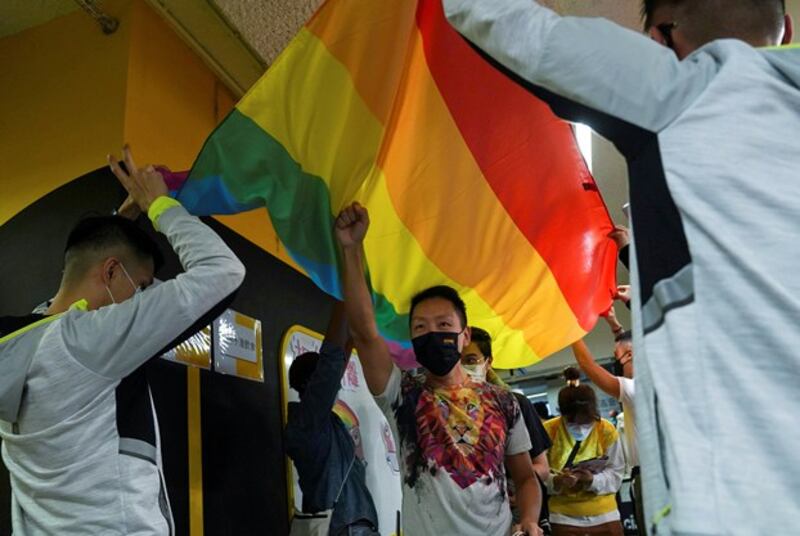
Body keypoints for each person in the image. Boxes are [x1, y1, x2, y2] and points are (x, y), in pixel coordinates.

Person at [443, 0, 800, 532]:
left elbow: (501, 22)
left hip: (736, 499)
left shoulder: (678, 89)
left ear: (661, 38)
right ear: (787, 29)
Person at [0, 146, 245, 534]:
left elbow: (65, 308)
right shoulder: (91, 342)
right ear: (113, 271)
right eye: (143, 285)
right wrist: (160, 206)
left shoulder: (20, 341)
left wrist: (120, 223)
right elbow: (223, 272)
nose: (146, 295)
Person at [334, 201, 543, 536]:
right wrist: (351, 249)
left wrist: (530, 519)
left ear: (465, 336)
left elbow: (525, 478)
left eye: (443, 324)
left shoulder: (505, 403)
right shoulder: (402, 396)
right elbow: (364, 332)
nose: (433, 334)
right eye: (420, 328)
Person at [285, 302, 380, 536]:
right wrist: (345, 297)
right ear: (312, 385)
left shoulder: (321, 422)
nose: (336, 384)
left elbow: (336, 366)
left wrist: (357, 331)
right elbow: (331, 364)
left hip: (353, 526)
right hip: (344, 529)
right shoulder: (308, 423)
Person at [463, 326, 552, 533]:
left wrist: (510, 488)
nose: (463, 367)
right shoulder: (440, 410)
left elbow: (541, 467)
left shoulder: (513, 404)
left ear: (488, 362)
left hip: (518, 515)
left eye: (471, 360)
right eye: (458, 360)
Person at [571, 307, 643, 534]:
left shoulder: (635, 389)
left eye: (617, 356)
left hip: (650, 477)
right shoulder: (651, 382)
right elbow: (629, 345)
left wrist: (570, 331)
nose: (617, 362)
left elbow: (588, 366)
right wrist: (614, 324)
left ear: (629, 356)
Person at [544, 368, 625, 536]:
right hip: (563, 517)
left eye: (586, 423)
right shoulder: (549, 430)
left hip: (605, 515)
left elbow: (616, 473)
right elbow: (537, 474)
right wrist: (557, 481)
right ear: (562, 414)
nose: (580, 428)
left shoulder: (605, 430)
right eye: (572, 423)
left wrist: (591, 480)